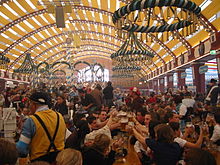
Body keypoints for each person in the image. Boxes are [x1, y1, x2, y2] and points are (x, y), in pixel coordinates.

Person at [16, 91, 66, 163]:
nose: (29, 106)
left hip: (39, 161)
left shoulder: (31, 120)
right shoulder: (59, 116)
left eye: (30, 103)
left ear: (34, 104)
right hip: (59, 160)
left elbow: (22, 148)